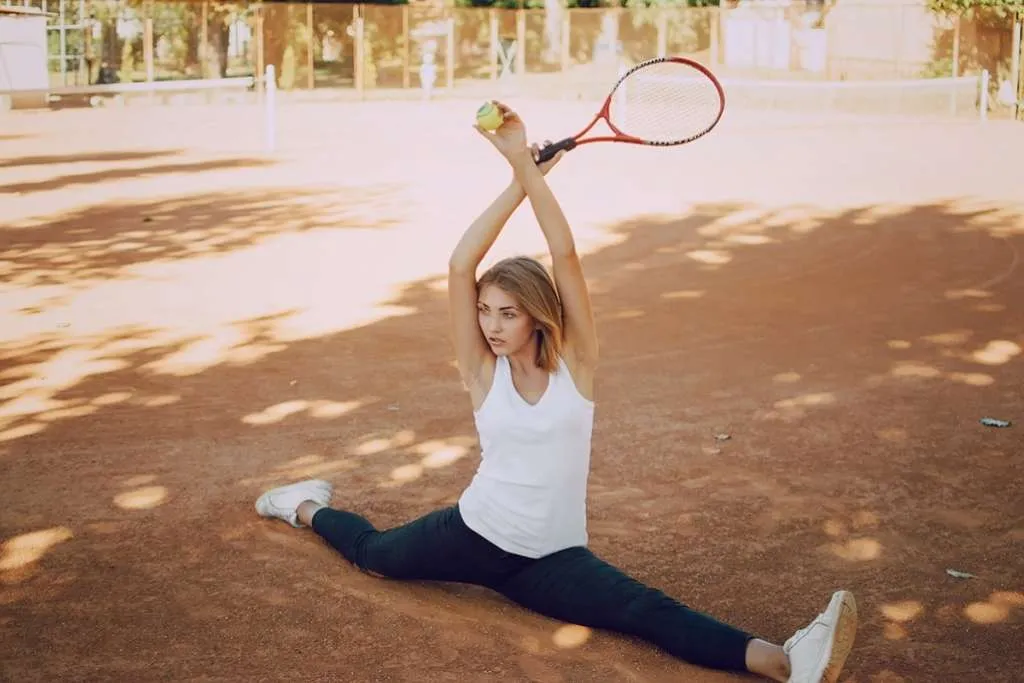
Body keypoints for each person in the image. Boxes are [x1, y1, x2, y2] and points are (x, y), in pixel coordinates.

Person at [254, 102, 857, 683]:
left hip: (551, 560)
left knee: (643, 611)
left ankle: (784, 661)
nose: (491, 325)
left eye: (507, 313)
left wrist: (528, 168)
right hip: (472, 533)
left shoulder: (578, 369)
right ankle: (302, 504)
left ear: (537, 316)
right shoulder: (482, 373)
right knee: (375, 555)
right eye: (485, 312)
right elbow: (460, 265)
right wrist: (519, 172)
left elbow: (564, 255)